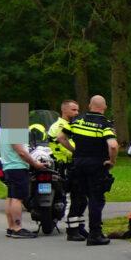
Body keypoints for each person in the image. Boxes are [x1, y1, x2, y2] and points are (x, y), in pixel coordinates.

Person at [57, 95, 119, 245]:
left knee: (78, 197)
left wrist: (74, 151)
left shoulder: (77, 120)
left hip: (78, 164)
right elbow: (113, 145)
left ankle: (73, 231)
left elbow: (61, 137)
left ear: (90, 105)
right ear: (104, 107)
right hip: (97, 165)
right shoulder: (105, 124)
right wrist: (112, 161)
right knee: (96, 199)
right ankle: (95, 234)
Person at [0, 103, 35, 239]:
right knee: (18, 198)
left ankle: (11, 227)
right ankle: (18, 228)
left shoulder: (3, 128)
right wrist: (35, 163)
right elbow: (20, 151)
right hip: (17, 166)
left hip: (8, 166)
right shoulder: (15, 127)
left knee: (11, 197)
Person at [46, 99, 80, 233]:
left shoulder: (68, 125)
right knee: (70, 196)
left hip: (65, 163)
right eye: (73, 110)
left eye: (77, 110)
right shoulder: (60, 126)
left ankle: (70, 223)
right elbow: (63, 144)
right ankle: (70, 225)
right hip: (64, 164)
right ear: (64, 110)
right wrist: (77, 152)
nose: (76, 112)